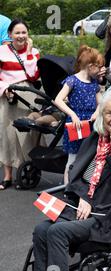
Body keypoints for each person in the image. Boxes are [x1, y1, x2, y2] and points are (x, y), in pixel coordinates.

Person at [32, 89, 111, 271]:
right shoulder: (97, 138)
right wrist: (84, 196)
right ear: (102, 115)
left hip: (107, 217)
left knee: (57, 232)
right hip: (81, 206)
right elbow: (76, 173)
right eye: (109, 113)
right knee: (41, 229)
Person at [0, 19, 42, 190]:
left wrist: (30, 52)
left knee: (27, 135)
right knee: (6, 134)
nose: (21, 36)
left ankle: (27, 171)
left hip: (28, 94)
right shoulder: (1, 51)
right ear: (9, 35)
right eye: (17, 32)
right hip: (8, 94)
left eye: (24, 32)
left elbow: (33, 75)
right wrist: (4, 89)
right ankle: (8, 175)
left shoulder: (34, 52)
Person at [54, 45, 104, 184]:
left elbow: (101, 102)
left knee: (89, 156)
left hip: (90, 123)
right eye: (99, 67)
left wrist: (96, 112)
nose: (101, 70)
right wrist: (73, 114)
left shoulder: (94, 83)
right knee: (73, 158)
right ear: (90, 66)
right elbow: (58, 100)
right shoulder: (72, 80)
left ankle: (81, 188)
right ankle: (68, 188)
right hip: (76, 124)